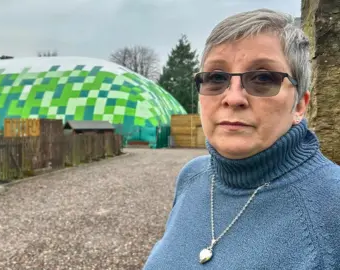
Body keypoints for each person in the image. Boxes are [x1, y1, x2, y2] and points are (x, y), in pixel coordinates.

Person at [143, 8, 340, 270]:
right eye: (216, 77)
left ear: (300, 106)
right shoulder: (192, 177)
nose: (233, 98)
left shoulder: (332, 204)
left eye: (262, 78)